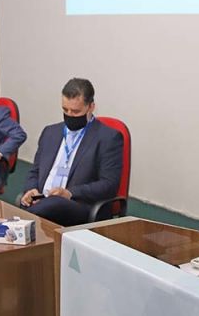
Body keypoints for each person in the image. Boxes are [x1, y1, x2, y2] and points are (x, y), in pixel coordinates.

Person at [20, 78, 123, 226]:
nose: (69, 115)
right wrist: (31, 189)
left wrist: (70, 193)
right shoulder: (50, 132)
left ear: (91, 107)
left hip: (79, 203)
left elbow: (109, 184)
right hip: (42, 200)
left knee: (53, 203)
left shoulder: (108, 138)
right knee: (29, 203)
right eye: (65, 110)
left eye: (75, 111)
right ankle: (22, 223)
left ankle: (20, 223)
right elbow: (35, 171)